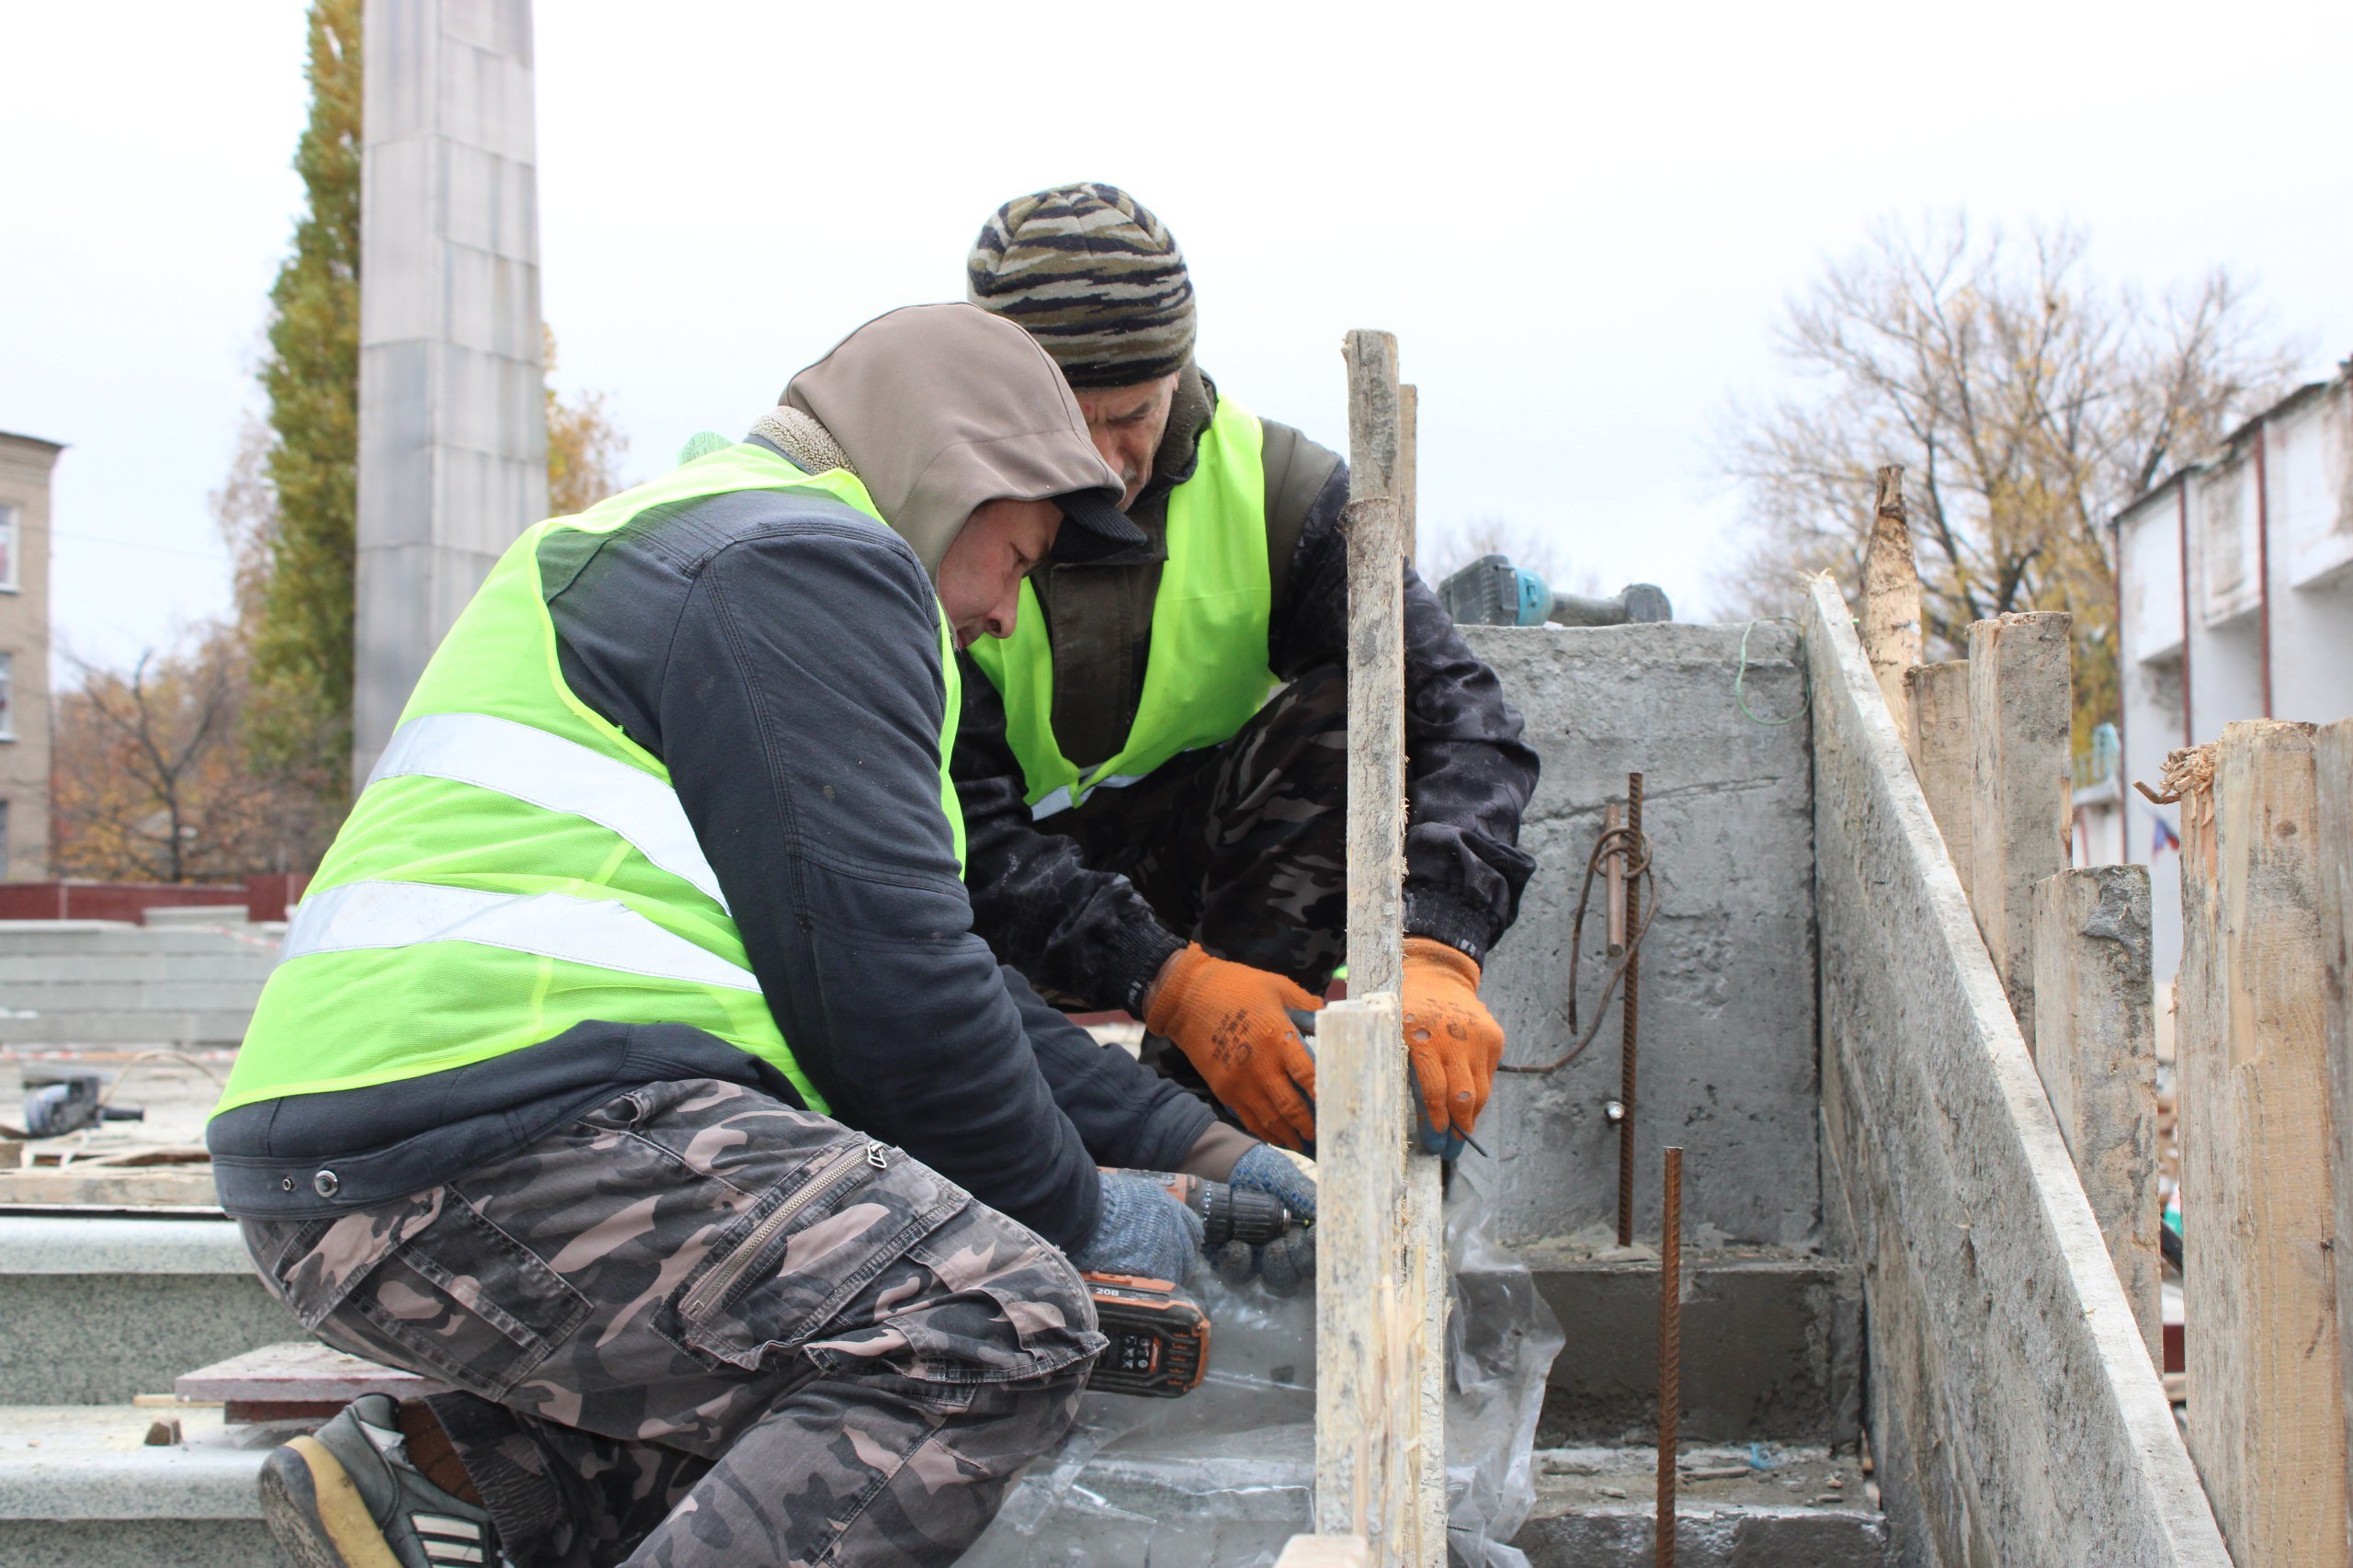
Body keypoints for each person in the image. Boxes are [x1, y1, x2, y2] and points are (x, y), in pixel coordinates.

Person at [208, 304, 1313, 1568]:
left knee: (824, 1351)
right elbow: (896, 999)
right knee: (985, 1321)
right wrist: (1083, 1214)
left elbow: (946, 971)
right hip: (492, 1139)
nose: (1012, 614)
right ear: (960, 477)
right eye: (1021, 558)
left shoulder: (705, 546)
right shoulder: (808, 564)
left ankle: (455, 1486)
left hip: (391, 1147)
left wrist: (1198, 1147)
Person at [958, 184, 1541, 1153]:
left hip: (1190, 871)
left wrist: (1440, 942)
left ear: (1178, 375)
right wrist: (1169, 983)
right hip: (983, 895)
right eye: (1065, 421)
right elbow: (954, 834)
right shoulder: (921, 514)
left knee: (1366, 712)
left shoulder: (1279, 494)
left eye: (1132, 415)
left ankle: (1236, 1131)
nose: (1103, 461)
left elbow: (1460, 717)